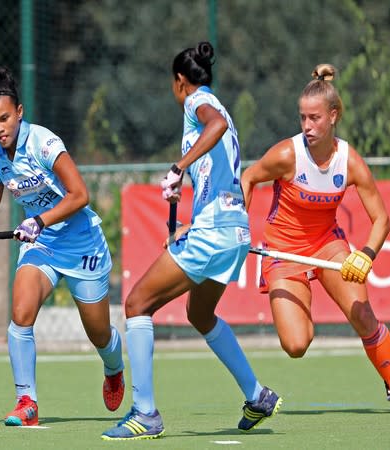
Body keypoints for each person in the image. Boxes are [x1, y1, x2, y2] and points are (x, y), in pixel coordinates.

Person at [101, 42, 282, 441]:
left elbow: (212, 125)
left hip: (216, 231)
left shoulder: (197, 102)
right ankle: (257, 395)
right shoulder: (221, 110)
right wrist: (189, 214)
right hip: (232, 228)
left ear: (180, 81)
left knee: (136, 303)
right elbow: (217, 165)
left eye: (174, 83)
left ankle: (145, 413)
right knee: (200, 314)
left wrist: (177, 167)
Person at [0, 65, 125, 426]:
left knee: (99, 333)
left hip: (82, 243)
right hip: (41, 246)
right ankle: (27, 402)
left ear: (19, 112)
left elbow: (80, 195)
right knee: (21, 313)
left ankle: (114, 367)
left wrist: (39, 220)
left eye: (5, 118)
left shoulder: (44, 144)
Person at [241, 64, 390, 415]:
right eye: (303, 118)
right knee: (296, 344)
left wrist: (366, 253)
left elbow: (381, 218)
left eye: (315, 118)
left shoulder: (349, 162)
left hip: (326, 243)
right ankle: (302, 295)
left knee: (363, 315)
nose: (307, 126)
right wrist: (239, 227)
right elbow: (248, 178)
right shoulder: (287, 155)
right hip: (283, 249)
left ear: (333, 116)